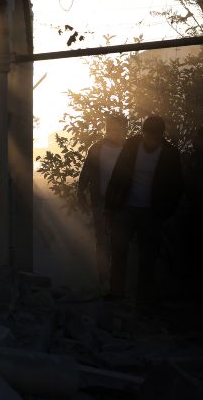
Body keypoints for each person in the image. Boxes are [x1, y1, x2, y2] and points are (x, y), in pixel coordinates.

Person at [104, 115, 183, 311]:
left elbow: (177, 186)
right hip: (126, 208)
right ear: (143, 133)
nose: (150, 140)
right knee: (119, 249)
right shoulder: (131, 146)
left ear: (161, 136)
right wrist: (110, 207)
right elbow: (118, 175)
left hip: (153, 212)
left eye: (154, 136)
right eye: (147, 135)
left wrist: (166, 213)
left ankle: (144, 300)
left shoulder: (171, 154)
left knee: (148, 257)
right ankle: (116, 294)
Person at [77, 114, 128, 292]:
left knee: (119, 241)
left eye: (117, 128)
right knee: (102, 240)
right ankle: (103, 279)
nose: (113, 132)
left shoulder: (129, 150)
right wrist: (80, 192)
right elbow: (86, 172)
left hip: (121, 203)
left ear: (124, 129)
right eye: (110, 128)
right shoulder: (96, 148)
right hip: (100, 201)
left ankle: (116, 281)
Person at [179, 125, 203, 303]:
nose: (194, 139)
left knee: (194, 254)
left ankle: (193, 296)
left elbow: (198, 187)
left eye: (197, 137)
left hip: (199, 213)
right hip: (199, 212)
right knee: (194, 254)